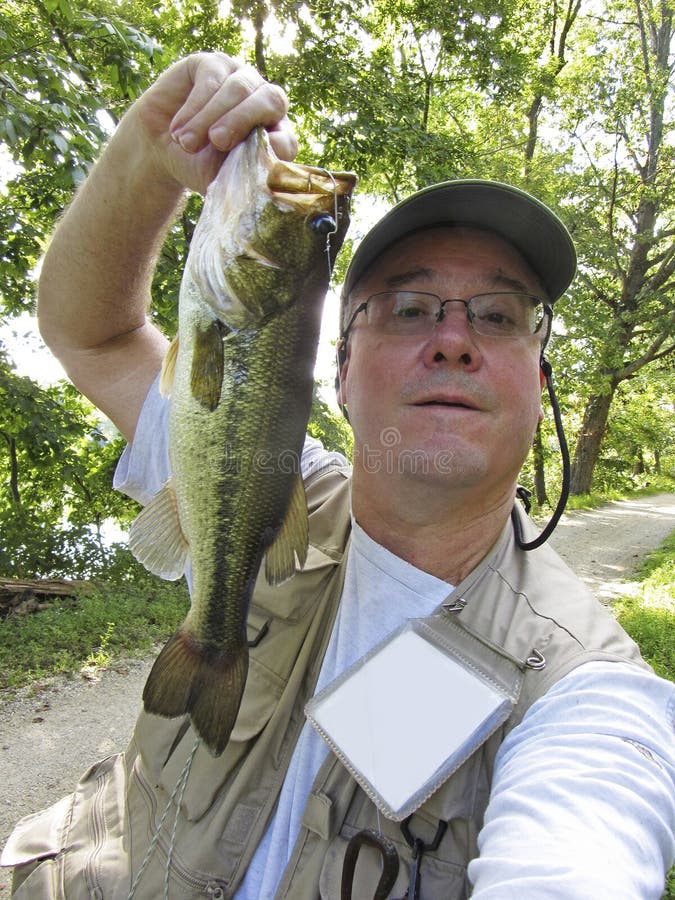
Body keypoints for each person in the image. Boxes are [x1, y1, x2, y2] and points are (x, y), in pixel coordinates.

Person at [2, 52, 673, 899]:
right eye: (410, 306)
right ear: (343, 371)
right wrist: (148, 149)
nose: (454, 338)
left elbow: (579, 853)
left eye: (499, 316)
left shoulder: (584, 694)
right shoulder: (272, 478)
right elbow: (91, 333)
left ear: (537, 388)